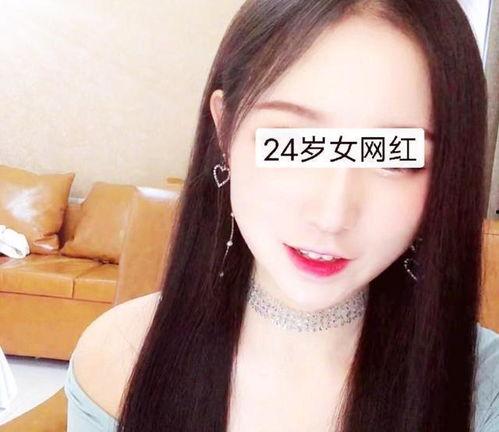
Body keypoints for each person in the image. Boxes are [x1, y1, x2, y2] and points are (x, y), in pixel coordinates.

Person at [65, 0, 499, 431]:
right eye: (294, 145)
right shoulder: (118, 358)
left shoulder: (484, 390)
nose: (332, 216)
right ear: (225, 129)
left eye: (392, 157)